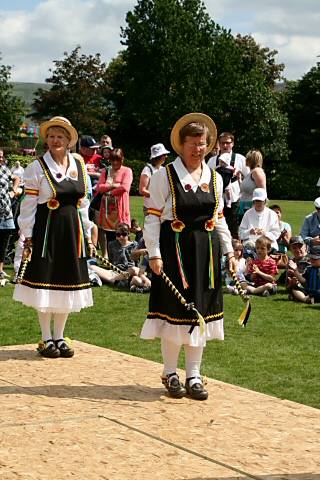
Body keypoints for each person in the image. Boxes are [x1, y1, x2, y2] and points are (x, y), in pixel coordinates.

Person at [141, 113, 236, 401]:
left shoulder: (215, 178)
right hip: (175, 251)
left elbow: (219, 219)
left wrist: (230, 251)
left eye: (203, 144)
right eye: (192, 143)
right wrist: (154, 254)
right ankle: (170, 372)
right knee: (176, 314)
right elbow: (152, 219)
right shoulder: (163, 176)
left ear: (209, 146)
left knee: (201, 314)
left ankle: (194, 374)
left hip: (206, 255)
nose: (198, 149)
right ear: (181, 145)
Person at [13, 116, 95, 358]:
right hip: (46, 233)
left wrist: (88, 235)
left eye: (60, 136)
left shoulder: (79, 165)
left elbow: (83, 205)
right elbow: (28, 207)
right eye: (51, 136)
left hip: (72, 233)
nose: (55, 140)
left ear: (69, 140)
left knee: (67, 283)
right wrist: (27, 237)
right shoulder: (36, 168)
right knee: (45, 282)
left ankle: (59, 336)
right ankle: (46, 337)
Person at [207, 132, 249, 238]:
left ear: (233, 143)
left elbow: (249, 177)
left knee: (234, 227)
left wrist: (239, 177)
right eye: (222, 143)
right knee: (217, 227)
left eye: (227, 143)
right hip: (217, 198)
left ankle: (235, 250)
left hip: (235, 197)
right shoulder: (212, 160)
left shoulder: (240, 159)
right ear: (219, 144)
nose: (225, 146)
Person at [96, 148, 133, 257]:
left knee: (123, 234)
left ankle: (127, 260)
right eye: (113, 160)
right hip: (107, 211)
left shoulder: (127, 171)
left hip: (120, 209)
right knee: (109, 236)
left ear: (122, 159)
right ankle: (112, 260)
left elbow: (125, 187)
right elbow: (99, 188)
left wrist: (110, 192)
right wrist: (113, 185)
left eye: (118, 160)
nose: (115, 162)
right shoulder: (105, 171)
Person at [239, 188, 281, 255]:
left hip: (268, 243)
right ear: (253, 201)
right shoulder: (248, 213)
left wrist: (265, 233)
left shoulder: (272, 214)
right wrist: (250, 232)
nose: (258, 203)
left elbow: (276, 234)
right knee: (248, 250)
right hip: (251, 243)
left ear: (265, 201)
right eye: (256, 201)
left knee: (271, 251)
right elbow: (241, 234)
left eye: (260, 201)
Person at [0, 149, 20, 279]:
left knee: (3, 243)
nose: (1, 159)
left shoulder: (4, 169)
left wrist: (13, 190)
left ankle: (0, 270)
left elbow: (16, 178)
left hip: (6, 211)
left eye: (1, 157)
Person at [139, 143, 170, 215]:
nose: (166, 156)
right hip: (150, 208)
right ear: (158, 157)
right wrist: (157, 195)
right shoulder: (147, 170)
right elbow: (142, 190)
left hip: (162, 207)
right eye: (164, 155)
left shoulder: (163, 169)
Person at [238, 149, 266, 222]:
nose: (245, 160)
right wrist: (239, 179)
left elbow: (262, 191)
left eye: (247, 158)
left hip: (252, 207)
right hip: (244, 206)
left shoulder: (257, 172)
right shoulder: (250, 172)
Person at [286, 236, 310, 302]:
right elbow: (287, 287)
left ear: (305, 247)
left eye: (300, 247)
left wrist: (296, 273)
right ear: (290, 249)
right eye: (294, 248)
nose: (297, 250)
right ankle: (305, 298)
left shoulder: (312, 260)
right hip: (299, 288)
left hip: (312, 286)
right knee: (294, 290)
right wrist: (291, 283)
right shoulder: (290, 262)